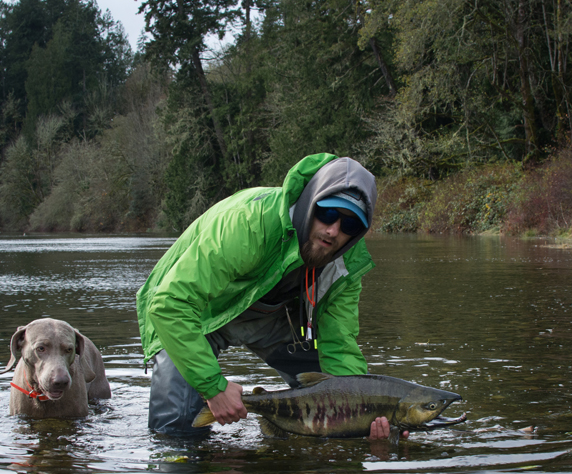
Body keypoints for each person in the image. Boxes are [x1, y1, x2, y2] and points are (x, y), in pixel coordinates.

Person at [136, 153, 406, 441]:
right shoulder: (250, 223)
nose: (333, 230)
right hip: (195, 315)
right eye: (328, 213)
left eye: (350, 225)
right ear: (310, 202)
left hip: (273, 319)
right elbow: (169, 304)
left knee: (331, 412)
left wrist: (362, 416)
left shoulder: (348, 265)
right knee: (175, 435)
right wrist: (214, 387)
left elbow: (339, 344)